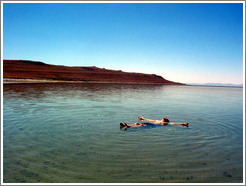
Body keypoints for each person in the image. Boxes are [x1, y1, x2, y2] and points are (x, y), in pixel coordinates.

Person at [120, 115, 189, 129]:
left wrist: (183, 124)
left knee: (140, 125)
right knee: (136, 123)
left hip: (151, 125)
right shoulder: (158, 120)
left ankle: (128, 126)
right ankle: (127, 125)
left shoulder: (164, 123)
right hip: (151, 123)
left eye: (166, 118)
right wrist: (142, 118)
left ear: (165, 120)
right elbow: (149, 120)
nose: (166, 117)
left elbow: (173, 123)